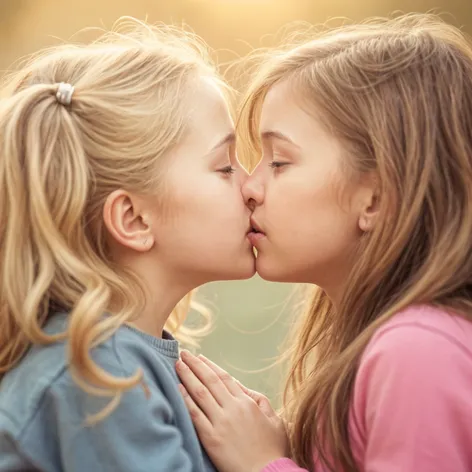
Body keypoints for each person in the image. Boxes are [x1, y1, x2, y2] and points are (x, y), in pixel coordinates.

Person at [177, 13, 472, 472]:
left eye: (280, 161)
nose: (250, 188)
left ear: (374, 197)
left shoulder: (418, 354)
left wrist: (263, 464)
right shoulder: (384, 344)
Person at [0, 17, 255, 471]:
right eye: (223, 167)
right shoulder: (96, 375)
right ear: (134, 219)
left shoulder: (112, 358)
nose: (251, 186)